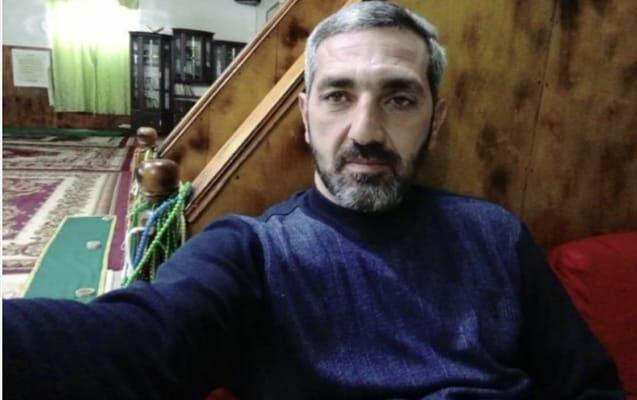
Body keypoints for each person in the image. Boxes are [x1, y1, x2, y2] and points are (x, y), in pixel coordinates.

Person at [3, 2, 625, 399]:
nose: (366, 131)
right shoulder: (251, 251)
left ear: (435, 121)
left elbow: (590, 387)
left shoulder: (495, 235)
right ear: (304, 116)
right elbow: (137, 343)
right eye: (337, 96)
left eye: (399, 99)